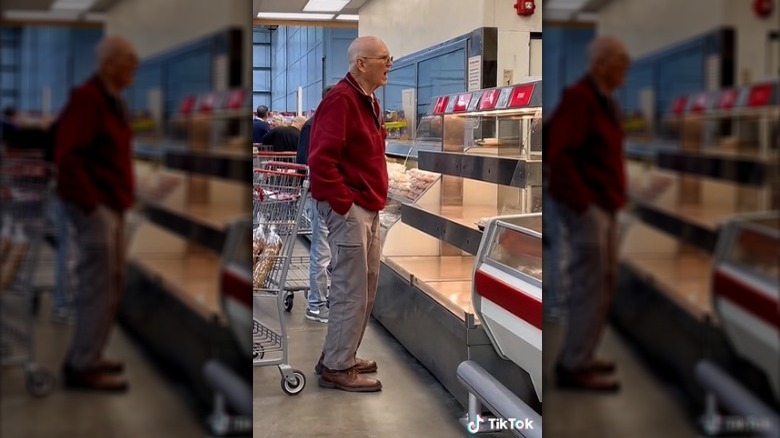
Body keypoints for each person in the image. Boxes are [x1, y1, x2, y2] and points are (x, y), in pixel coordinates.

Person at [55, 35, 139, 391]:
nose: (134, 71)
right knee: (98, 284)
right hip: (96, 207)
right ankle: (82, 363)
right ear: (109, 63)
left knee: (112, 283)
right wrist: (92, 205)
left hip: (112, 204)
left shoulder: (114, 99)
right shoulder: (87, 99)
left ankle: (91, 352)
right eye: (128, 64)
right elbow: (68, 156)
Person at [308, 35, 392, 392]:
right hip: (351, 207)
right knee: (350, 289)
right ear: (362, 63)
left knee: (366, 285)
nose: (390, 64)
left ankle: (339, 354)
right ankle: (337, 368)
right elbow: (320, 160)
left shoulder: (368, 100)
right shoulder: (341, 99)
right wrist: (345, 204)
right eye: (384, 58)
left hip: (368, 205)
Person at [547, 35, 630, 392]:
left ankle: (584, 352)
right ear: (601, 64)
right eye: (620, 65)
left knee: (604, 283)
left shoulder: (606, 100)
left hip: (604, 204)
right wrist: (583, 204)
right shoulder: (579, 100)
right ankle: (574, 364)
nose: (625, 72)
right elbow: (559, 154)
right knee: (590, 285)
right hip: (588, 208)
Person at [298, 85, 335, 323]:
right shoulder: (315, 124)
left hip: (326, 195)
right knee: (321, 253)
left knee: (325, 252)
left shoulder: (320, 122)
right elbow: (305, 160)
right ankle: (316, 304)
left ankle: (322, 299)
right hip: (319, 194)